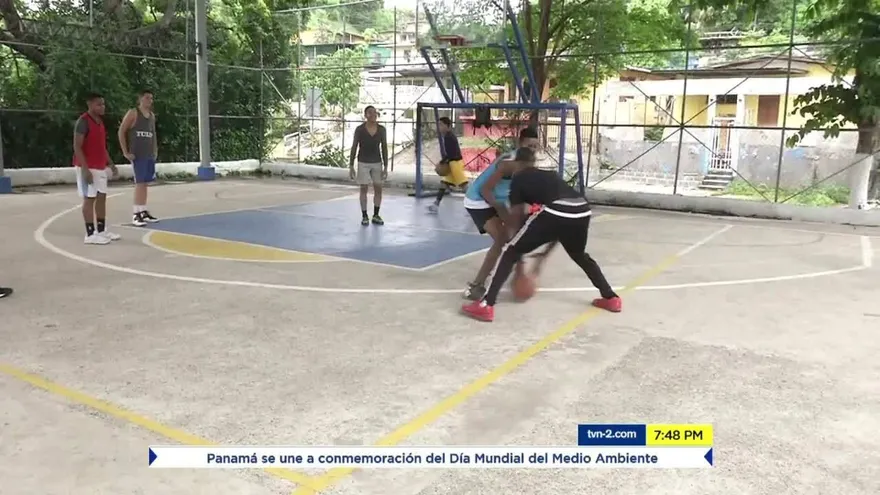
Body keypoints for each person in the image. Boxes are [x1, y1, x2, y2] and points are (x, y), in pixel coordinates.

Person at [461, 147, 622, 322]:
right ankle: (611, 298)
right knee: (580, 255)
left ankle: (486, 305)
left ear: (516, 162)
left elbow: (516, 220)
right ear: (533, 162)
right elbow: (560, 225)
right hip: (582, 210)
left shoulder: (518, 180)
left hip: (558, 211)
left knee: (509, 252)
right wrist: (543, 254)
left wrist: (515, 246)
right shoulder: (549, 176)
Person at [462, 126, 541, 300]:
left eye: (535, 146)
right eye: (529, 146)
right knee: (501, 240)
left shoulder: (528, 164)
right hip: (479, 200)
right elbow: (485, 190)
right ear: (520, 144)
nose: (532, 150)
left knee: (514, 238)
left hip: (499, 200)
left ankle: (517, 275)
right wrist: (502, 211)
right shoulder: (508, 163)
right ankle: (476, 286)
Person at [74, 92, 120, 245]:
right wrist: (85, 169)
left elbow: (102, 147)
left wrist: (111, 163)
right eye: (98, 104)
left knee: (101, 197)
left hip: (100, 166)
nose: (102, 107)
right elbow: (77, 146)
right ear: (90, 104)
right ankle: (89, 234)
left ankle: (101, 230)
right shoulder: (83, 122)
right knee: (89, 199)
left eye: (103, 104)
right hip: (88, 166)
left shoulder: (100, 122)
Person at [118, 89, 159, 227]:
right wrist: (125, 152)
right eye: (147, 98)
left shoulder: (151, 116)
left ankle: (143, 210)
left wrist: (155, 150)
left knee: (145, 183)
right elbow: (121, 131)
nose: (150, 101)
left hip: (148, 155)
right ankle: (136, 214)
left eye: (151, 98)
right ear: (140, 99)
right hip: (138, 154)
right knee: (139, 183)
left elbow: (153, 134)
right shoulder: (133, 113)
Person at [349, 105, 388, 226]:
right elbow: (354, 146)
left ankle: (376, 214)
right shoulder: (360, 129)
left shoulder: (381, 129)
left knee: (378, 188)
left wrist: (386, 166)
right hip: (363, 162)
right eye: (370, 113)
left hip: (377, 162)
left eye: (375, 112)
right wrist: (351, 165)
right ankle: (364, 215)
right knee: (364, 188)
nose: (374, 114)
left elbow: (384, 147)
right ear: (366, 115)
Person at [427, 117, 468, 213]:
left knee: (464, 186)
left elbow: (452, 153)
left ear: (447, 126)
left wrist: (442, 162)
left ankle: (477, 203)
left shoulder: (449, 137)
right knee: (444, 183)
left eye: (441, 125)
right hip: (452, 163)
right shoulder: (447, 136)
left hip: (455, 163)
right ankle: (436, 204)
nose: (439, 127)